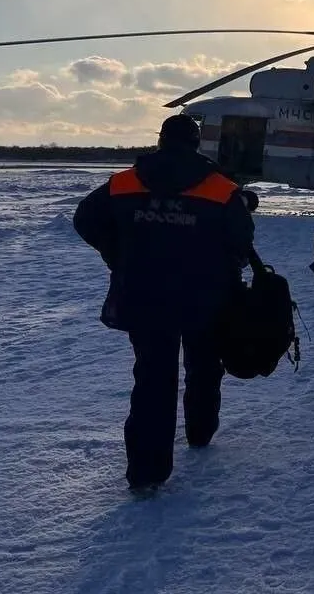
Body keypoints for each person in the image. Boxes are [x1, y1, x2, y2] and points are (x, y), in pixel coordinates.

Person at [73, 113, 255, 493]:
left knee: (153, 378)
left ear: (160, 141)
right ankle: (200, 431)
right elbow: (240, 240)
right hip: (203, 296)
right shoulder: (221, 188)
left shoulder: (123, 183)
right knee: (204, 364)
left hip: (143, 294)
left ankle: (146, 472)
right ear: (196, 143)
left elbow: (86, 220)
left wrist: (118, 253)